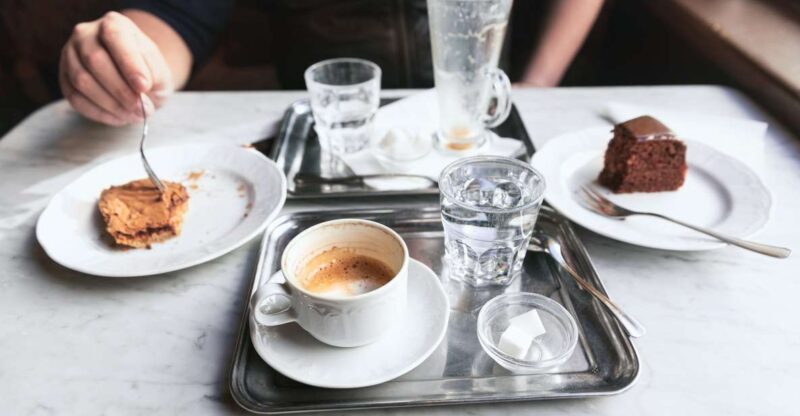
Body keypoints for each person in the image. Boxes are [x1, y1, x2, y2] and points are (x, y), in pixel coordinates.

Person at [59, 0, 604, 126]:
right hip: (327, 130)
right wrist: (132, 59)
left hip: (473, 121)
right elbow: (179, 14)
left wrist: (539, 80)